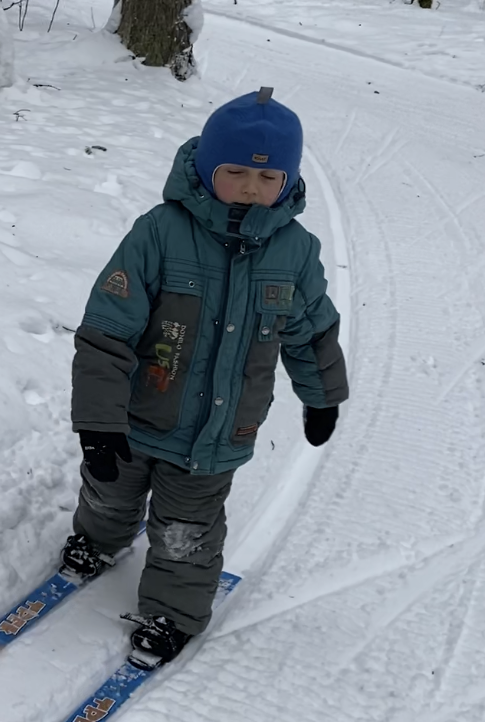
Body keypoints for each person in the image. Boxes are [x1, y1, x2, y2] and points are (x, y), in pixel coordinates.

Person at [65, 87, 349, 665]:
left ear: (288, 181)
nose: (250, 188)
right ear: (206, 169)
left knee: (185, 531)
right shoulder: (159, 233)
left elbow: (311, 331)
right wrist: (97, 420)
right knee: (108, 493)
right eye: (235, 172)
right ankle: (97, 541)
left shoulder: (295, 252)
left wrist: (323, 397)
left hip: (218, 435)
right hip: (137, 417)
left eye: (268, 178)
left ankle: (173, 613)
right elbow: (107, 331)